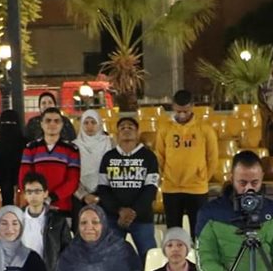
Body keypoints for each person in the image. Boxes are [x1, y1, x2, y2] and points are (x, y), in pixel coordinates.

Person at [154, 90, 218, 234]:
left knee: (199, 232)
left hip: (197, 188)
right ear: (173, 107)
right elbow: (160, 155)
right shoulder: (165, 128)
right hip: (171, 188)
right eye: (179, 111)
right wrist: (167, 175)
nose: (182, 115)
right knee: (173, 232)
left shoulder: (205, 128)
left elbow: (212, 158)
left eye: (186, 111)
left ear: (192, 107)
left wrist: (203, 178)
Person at [96, 115, 159, 258]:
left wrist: (133, 212)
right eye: (122, 128)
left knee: (149, 257)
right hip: (114, 217)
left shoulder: (149, 157)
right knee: (111, 258)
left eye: (130, 127)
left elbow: (151, 188)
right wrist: (119, 210)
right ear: (117, 134)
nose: (126, 130)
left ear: (137, 133)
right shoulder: (108, 157)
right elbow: (103, 189)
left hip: (142, 217)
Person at [18, 172, 71, 271]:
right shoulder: (15, 219)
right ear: (24, 195)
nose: (33, 196)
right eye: (29, 192)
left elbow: (67, 251)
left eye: (37, 191)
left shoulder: (57, 220)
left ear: (45, 193)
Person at [0, 109, 26, 209]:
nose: (8, 126)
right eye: (5, 123)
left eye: (11, 123)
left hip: (23, 200)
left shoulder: (27, 147)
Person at [73, 109, 113, 208]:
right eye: (86, 123)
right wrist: (83, 195)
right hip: (79, 194)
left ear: (99, 124)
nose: (89, 126)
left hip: (107, 192)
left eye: (93, 122)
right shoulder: (74, 146)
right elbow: (71, 174)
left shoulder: (109, 142)